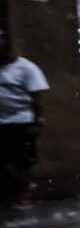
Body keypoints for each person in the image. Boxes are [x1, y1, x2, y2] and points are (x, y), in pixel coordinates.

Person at [0, 30, 48, 210]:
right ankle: (9, 194)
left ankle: (23, 196)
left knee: (23, 162)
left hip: (21, 122)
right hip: (1, 123)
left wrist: (38, 121)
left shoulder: (27, 68)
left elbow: (38, 98)